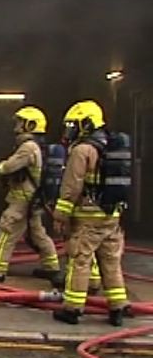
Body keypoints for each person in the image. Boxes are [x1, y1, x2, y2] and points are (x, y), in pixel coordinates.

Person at [51, 100, 131, 325]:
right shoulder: (111, 146)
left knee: (80, 259)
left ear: (85, 124)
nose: (70, 130)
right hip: (111, 216)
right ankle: (118, 307)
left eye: (73, 124)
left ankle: (73, 309)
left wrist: (60, 215)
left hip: (88, 216)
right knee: (111, 261)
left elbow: (72, 186)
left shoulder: (82, 150)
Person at [0, 106, 61, 282]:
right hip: (32, 200)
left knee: (7, 231)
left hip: (23, 201)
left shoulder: (28, 147)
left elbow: (9, 167)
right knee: (38, 234)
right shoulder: (35, 146)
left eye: (20, 122)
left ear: (30, 125)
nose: (16, 125)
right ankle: (52, 267)